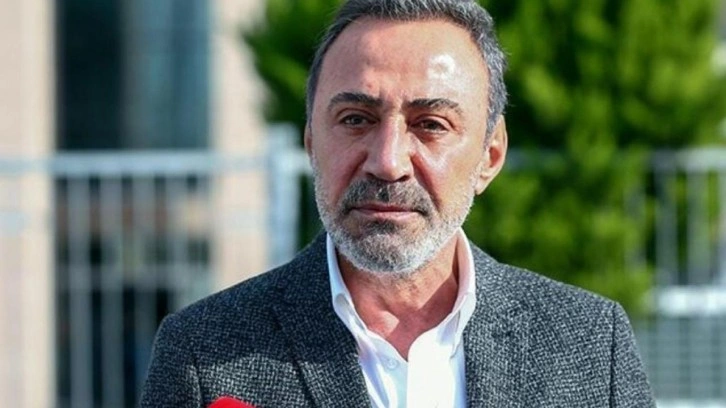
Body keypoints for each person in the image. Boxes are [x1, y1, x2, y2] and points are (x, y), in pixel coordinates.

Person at [140, 0, 655, 406]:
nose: (387, 162)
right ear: (311, 142)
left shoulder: (590, 344)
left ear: (490, 155)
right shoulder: (202, 353)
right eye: (356, 120)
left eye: (430, 125)